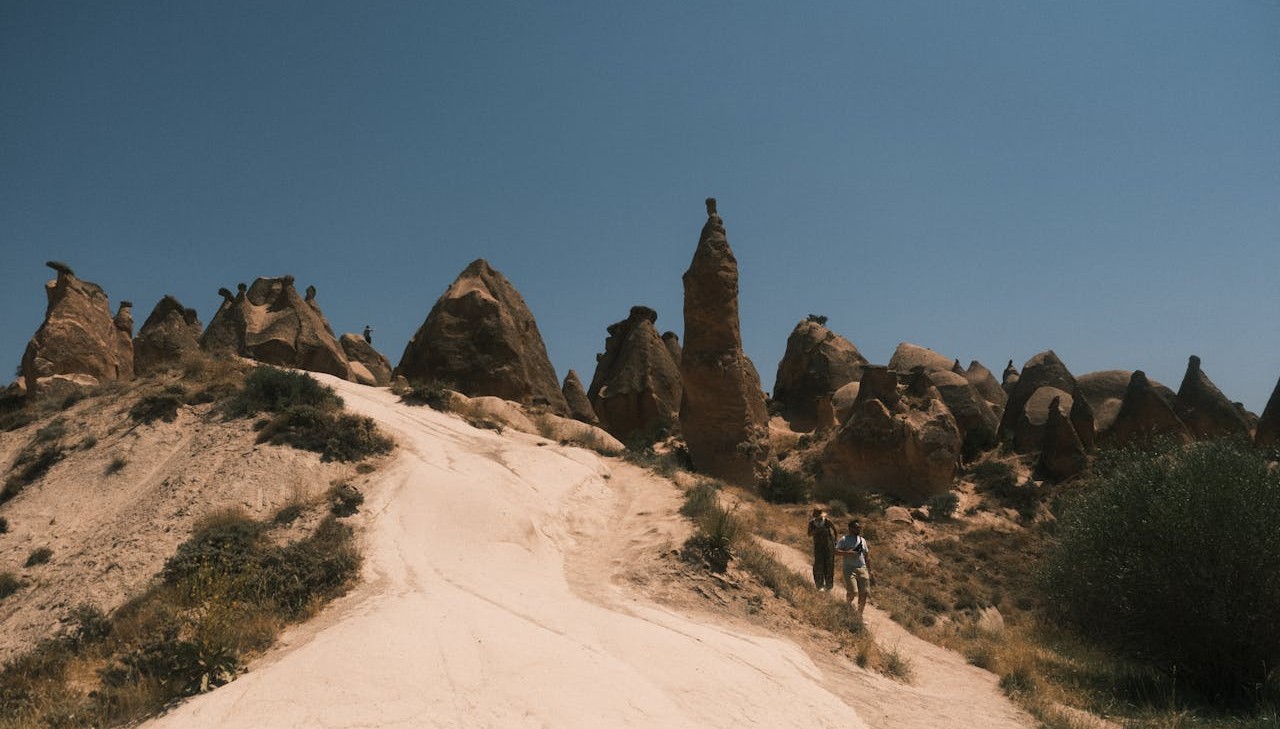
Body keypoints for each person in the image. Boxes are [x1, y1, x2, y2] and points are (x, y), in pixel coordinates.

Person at [835, 519, 874, 615]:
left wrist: (870, 571)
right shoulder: (844, 539)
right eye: (856, 527)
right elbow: (835, 551)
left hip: (862, 568)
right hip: (849, 568)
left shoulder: (863, 540)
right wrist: (848, 553)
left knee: (864, 593)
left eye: (859, 527)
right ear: (850, 528)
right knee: (852, 592)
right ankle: (847, 609)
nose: (859, 529)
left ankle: (859, 615)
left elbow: (867, 557)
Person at [806, 508, 838, 590]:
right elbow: (809, 534)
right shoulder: (812, 523)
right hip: (818, 547)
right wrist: (816, 531)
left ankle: (829, 586)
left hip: (828, 547)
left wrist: (835, 541)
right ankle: (819, 585)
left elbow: (834, 529)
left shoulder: (827, 521)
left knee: (829, 565)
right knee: (819, 565)